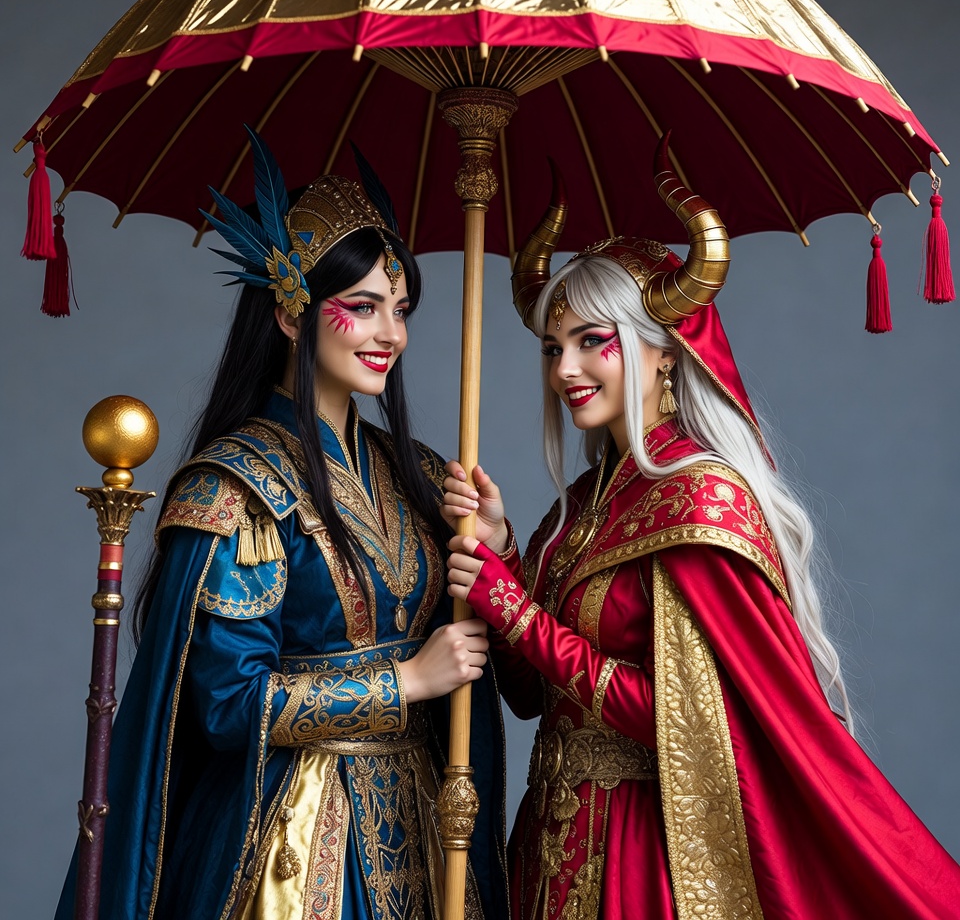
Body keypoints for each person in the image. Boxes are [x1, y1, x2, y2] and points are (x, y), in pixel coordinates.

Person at [443, 137, 960, 920]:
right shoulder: (576, 509)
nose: (564, 371)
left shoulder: (699, 500)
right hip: (545, 848)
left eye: (593, 342)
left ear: (664, 354)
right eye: (554, 347)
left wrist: (514, 608)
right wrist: (501, 550)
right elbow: (526, 696)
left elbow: (690, 720)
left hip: (644, 857)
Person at [55, 131, 507, 920]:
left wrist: (493, 555)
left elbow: (480, 651)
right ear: (293, 315)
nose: (390, 335)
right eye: (361, 308)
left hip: (426, 824)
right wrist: (404, 681)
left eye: (399, 310)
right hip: (297, 845)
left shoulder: (427, 476)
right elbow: (227, 705)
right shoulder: (237, 490)